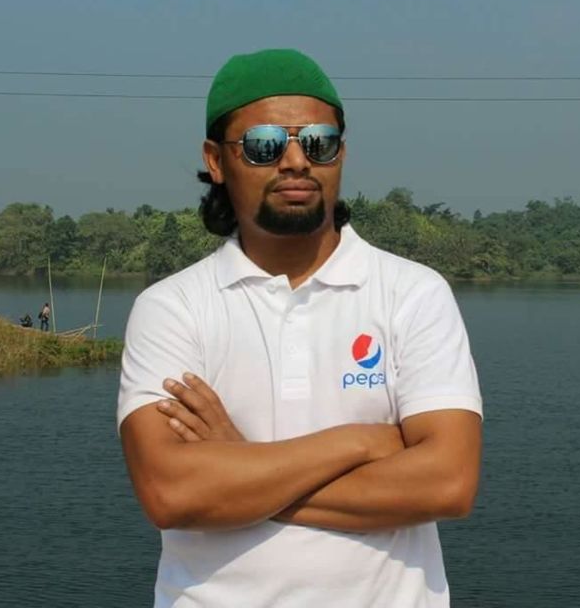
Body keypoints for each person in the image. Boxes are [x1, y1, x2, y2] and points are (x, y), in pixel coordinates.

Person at [118, 48, 483, 608]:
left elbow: (448, 483)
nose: (295, 161)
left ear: (341, 153)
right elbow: (171, 492)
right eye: (264, 145)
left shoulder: (412, 294)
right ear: (216, 160)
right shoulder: (172, 308)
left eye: (319, 142)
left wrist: (240, 464)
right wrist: (361, 441)